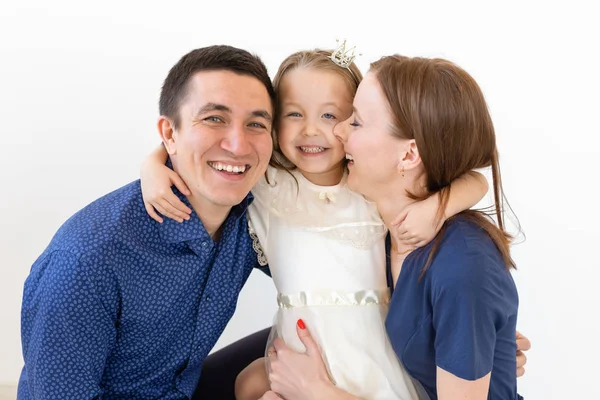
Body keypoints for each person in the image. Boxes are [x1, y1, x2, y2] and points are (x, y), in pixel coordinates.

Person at [140, 47, 489, 399]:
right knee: (249, 384)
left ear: (354, 121)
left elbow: (476, 180)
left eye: (329, 115)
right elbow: (188, 142)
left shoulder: (367, 185)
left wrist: (437, 208)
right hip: (297, 350)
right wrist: (153, 165)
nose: (310, 130)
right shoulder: (264, 183)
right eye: (293, 114)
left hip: (369, 354)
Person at [17, 45, 275, 399]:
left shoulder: (252, 218)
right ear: (169, 134)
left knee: (310, 342)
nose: (238, 144)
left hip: (182, 389)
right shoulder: (87, 260)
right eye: (214, 118)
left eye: (256, 124)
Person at [260, 55, 525, 399]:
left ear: (409, 154)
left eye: (354, 122)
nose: (337, 130)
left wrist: (316, 391)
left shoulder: (461, 263)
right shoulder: (386, 236)